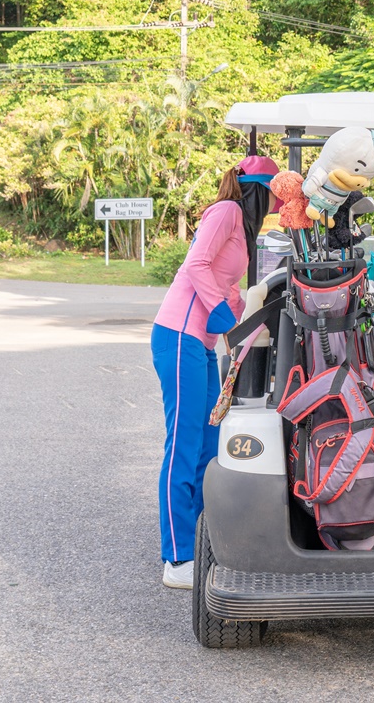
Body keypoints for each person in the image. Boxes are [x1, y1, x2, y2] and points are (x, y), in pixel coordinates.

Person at [150, 154, 280, 589]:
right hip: (180, 336)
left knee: (209, 444)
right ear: (260, 191)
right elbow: (196, 267)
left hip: (200, 342)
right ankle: (177, 557)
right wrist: (225, 315)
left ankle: (205, 542)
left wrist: (249, 316)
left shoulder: (243, 227)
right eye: (275, 197)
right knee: (184, 445)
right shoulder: (226, 211)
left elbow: (227, 286)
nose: (277, 207)